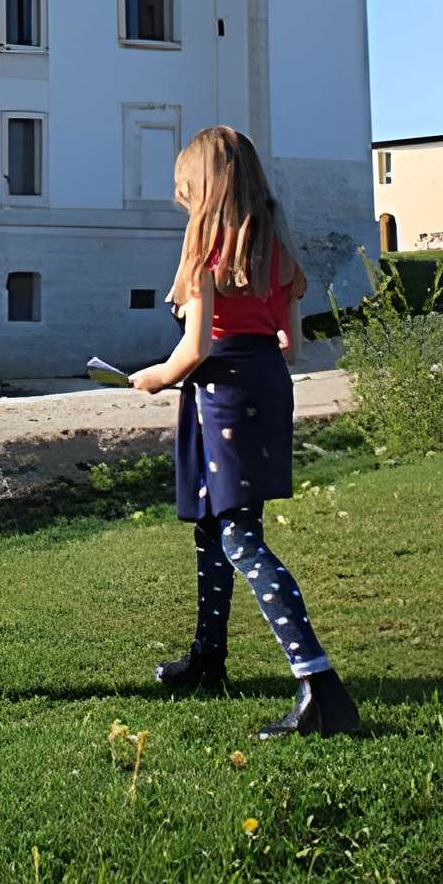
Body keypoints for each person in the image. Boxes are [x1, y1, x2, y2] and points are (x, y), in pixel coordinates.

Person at [129, 125, 360, 739]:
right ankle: (209, 658)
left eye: (186, 193)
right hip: (260, 383)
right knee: (213, 524)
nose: (183, 204)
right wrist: (261, 333)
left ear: (203, 191)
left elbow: (196, 344)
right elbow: (292, 345)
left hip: (223, 389)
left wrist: (154, 377)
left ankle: (320, 686)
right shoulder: (274, 248)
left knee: (238, 536)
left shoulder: (205, 251)